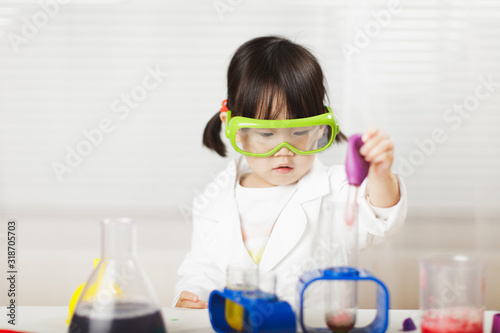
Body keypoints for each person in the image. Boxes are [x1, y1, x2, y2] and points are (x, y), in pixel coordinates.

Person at [173, 36, 407, 309]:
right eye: (265, 133)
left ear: (320, 128)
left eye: (299, 132)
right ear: (232, 126)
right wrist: (192, 295)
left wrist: (380, 175)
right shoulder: (213, 200)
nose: (284, 151)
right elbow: (202, 269)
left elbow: (378, 216)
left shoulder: (337, 189)